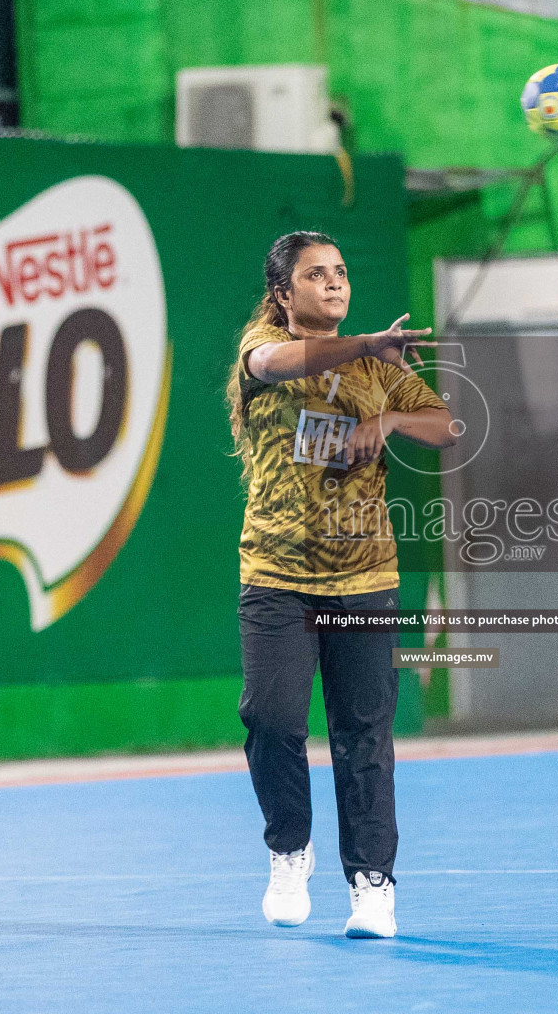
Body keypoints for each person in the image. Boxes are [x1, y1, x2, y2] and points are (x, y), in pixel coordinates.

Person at [226, 230, 457, 938]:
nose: (333, 283)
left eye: (341, 271)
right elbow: (281, 358)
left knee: (364, 735)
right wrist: (364, 345)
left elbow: (446, 425)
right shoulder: (260, 356)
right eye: (315, 274)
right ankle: (289, 851)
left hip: (365, 579)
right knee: (271, 721)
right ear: (281, 293)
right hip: (276, 578)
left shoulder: (377, 369)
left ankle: (371, 885)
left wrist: (387, 415)